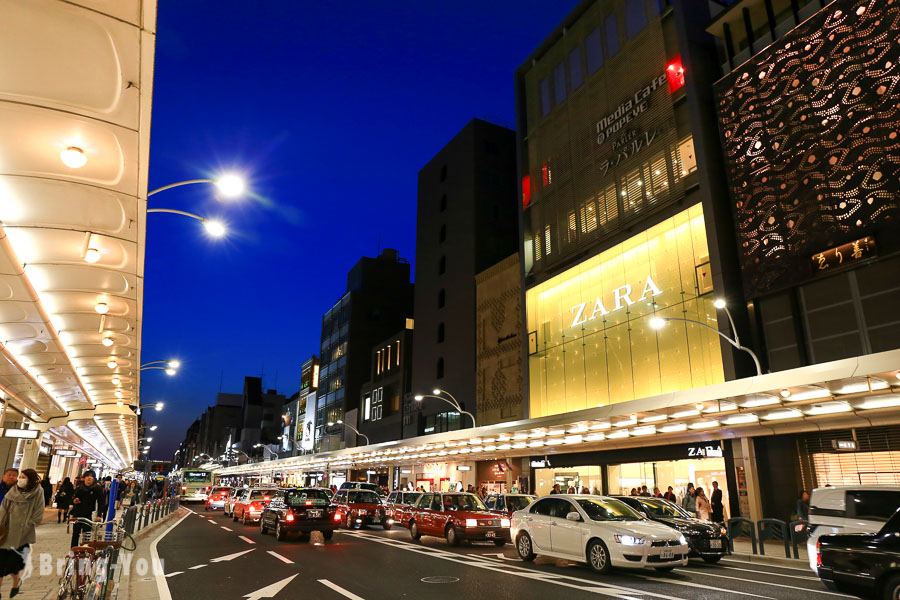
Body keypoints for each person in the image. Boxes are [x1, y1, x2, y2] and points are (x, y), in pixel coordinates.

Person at [0, 468, 44, 598]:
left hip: (22, 535)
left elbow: (38, 513)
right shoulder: (13, 491)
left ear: (30, 479)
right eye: (21, 477)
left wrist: (28, 525)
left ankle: (16, 582)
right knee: (0, 565)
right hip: (6, 533)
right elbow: (3, 508)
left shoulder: (37, 492)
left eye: (23, 477)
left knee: (13, 566)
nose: (20, 479)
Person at [69, 470, 104, 548]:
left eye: (91, 476)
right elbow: (72, 499)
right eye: (87, 476)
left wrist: (99, 515)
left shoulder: (97, 489)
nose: (89, 478)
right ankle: (73, 551)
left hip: (88, 515)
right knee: (75, 534)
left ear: (94, 479)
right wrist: (74, 501)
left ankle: (85, 550)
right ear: (84, 478)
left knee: (86, 535)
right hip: (77, 514)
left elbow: (101, 502)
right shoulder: (79, 488)